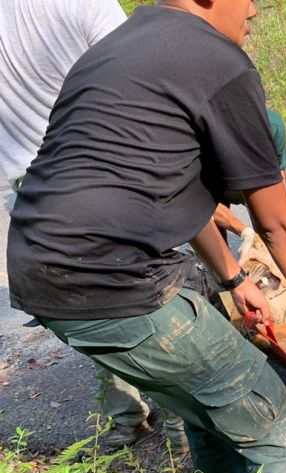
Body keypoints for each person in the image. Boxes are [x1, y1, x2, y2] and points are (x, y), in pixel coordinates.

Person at [5, 0, 286, 473]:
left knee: (208, 402)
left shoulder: (122, 45)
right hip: (112, 284)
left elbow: (178, 191)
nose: (257, 10)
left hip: (40, 271)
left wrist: (233, 280)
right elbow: (277, 226)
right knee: (277, 424)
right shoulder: (220, 64)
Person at [0, 0, 184, 449]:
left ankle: (126, 418)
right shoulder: (83, 2)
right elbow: (143, 72)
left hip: (28, 189)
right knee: (157, 293)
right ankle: (184, 422)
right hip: (99, 172)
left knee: (90, 301)